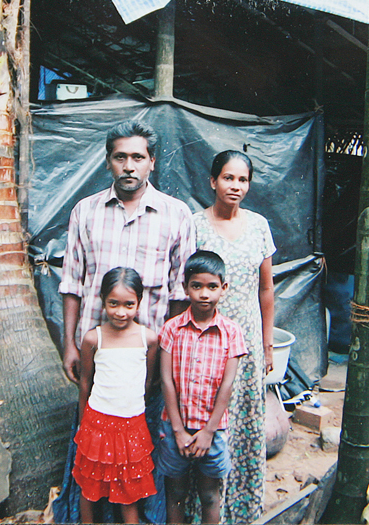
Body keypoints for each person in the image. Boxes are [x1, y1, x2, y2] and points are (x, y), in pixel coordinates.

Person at [60, 120, 195, 382]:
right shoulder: (85, 211)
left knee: (148, 409)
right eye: (120, 157)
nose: (129, 166)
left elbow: (180, 290)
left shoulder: (177, 214)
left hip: (151, 353)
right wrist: (69, 345)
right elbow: (72, 284)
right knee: (93, 408)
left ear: (152, 162)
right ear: (107, 161)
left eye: (138, 157)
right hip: (95, 350)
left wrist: (170, 350)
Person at [193, 150, 276, 523]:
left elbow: (266, 290)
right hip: (205, 343)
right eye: (228, 178)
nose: (235, 186)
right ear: (213, 181)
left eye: (243, 180)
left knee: (243, 420)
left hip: (247, 345)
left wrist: (267, 344)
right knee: (206, 420)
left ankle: (240, 510)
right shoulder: (195, 226)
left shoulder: (259, 225)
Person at [158, 250, 247, 525]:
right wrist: (178, 430)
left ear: (224, 288)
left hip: (213, 430)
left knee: (209, 495)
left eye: (212, 287)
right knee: (175, 493)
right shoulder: (172, 329)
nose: (204, 294)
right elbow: (166, 380)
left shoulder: (231, 332)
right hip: (175, 428)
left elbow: (228, 384)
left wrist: (208, 431)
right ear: (185, 288)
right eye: (196, 286)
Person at [73, 267, 159, 524]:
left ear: (139, 303)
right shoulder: (93, 339)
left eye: (128, 304)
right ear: (103, 301)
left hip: (132, 425)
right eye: (113, 304)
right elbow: (85, 385)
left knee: (129, 492)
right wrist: (83, 424)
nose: (121, 312)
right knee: (89, 488)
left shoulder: (148, 339)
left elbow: (147, 382)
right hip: (97, 424)